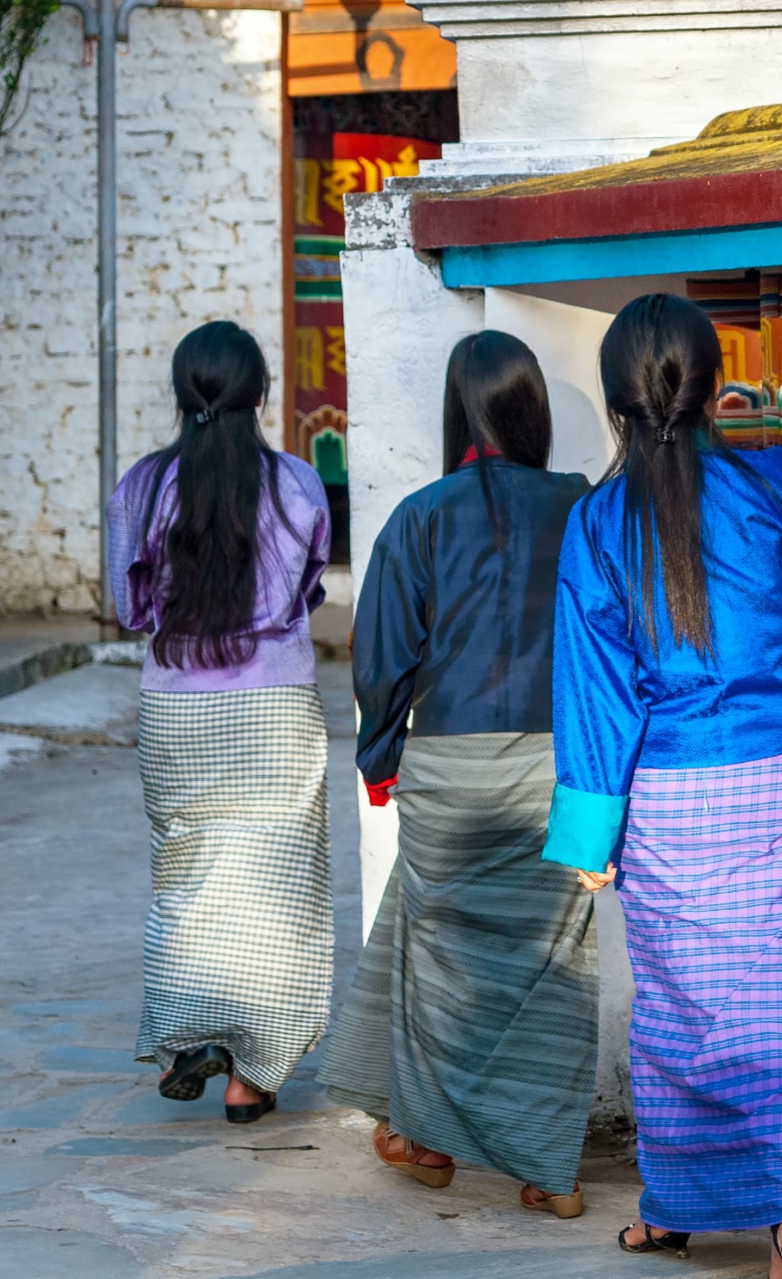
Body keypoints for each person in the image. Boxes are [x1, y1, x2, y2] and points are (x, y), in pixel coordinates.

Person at [540, 293, 782, 1279]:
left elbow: (595, 691)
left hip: (668, 805)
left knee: (680, 1013)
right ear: (715, 387)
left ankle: (674, 1209)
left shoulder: (593, 526)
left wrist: (590, 834)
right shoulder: (767, 484)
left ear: (617, 399)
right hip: (776, 790)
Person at [319, 331, 598, 1218]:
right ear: (533, 411)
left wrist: (378, 756)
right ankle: (549, 1172)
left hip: (447, 765)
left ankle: (429, 1140)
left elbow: (381, 657)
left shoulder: (421, 514)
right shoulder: (581, 507)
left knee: (441, 962)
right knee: (555, 963)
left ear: (458, 411)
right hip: (559, 767)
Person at [107, 319, 333, 1125]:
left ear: (180, 396)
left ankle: (190, 1034)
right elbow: (307, 590)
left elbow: (130, 606)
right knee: (276, 886)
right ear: (261, 394)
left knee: (190, 872)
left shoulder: (138, 488)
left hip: (175, 706)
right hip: (273, 704)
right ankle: (252, 1074)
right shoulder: (299, 486)